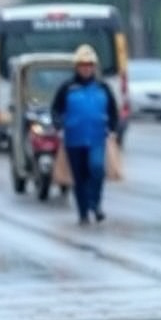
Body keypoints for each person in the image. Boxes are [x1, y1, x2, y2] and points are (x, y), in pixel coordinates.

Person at [52, 44, 119, 225]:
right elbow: (56, 110)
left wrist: (113, 129)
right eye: (82, 65)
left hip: (97, 137)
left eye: (89, 65)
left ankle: (95, 204)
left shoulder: (103, 87)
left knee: (96, 169)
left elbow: (113, 112)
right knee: (79, 176)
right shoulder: (67, 88)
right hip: (74, 139)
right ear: (77, 67)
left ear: (94, 67)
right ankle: (83, 212)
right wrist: (59, 126)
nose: (86, 68)